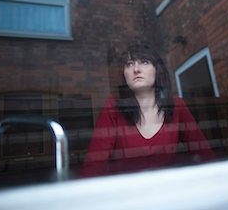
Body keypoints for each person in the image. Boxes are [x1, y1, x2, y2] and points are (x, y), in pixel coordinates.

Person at [80, 44, 215, 178]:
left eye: (144, 62)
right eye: (129, 64)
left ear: (157, 70)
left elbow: (205, 156)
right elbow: (93, 167)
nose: (136, 69)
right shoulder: (113, 106)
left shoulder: (176, 105)